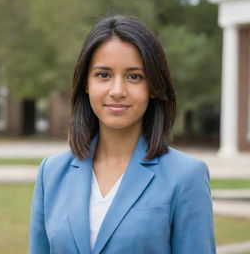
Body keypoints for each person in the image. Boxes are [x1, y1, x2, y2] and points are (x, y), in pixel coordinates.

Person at [30, 14, 216, 254]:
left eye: (134, 77)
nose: (117, 90)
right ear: (86, 83)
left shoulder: (186, 177)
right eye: (103, 75)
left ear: (153, 87)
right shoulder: (51, 173)